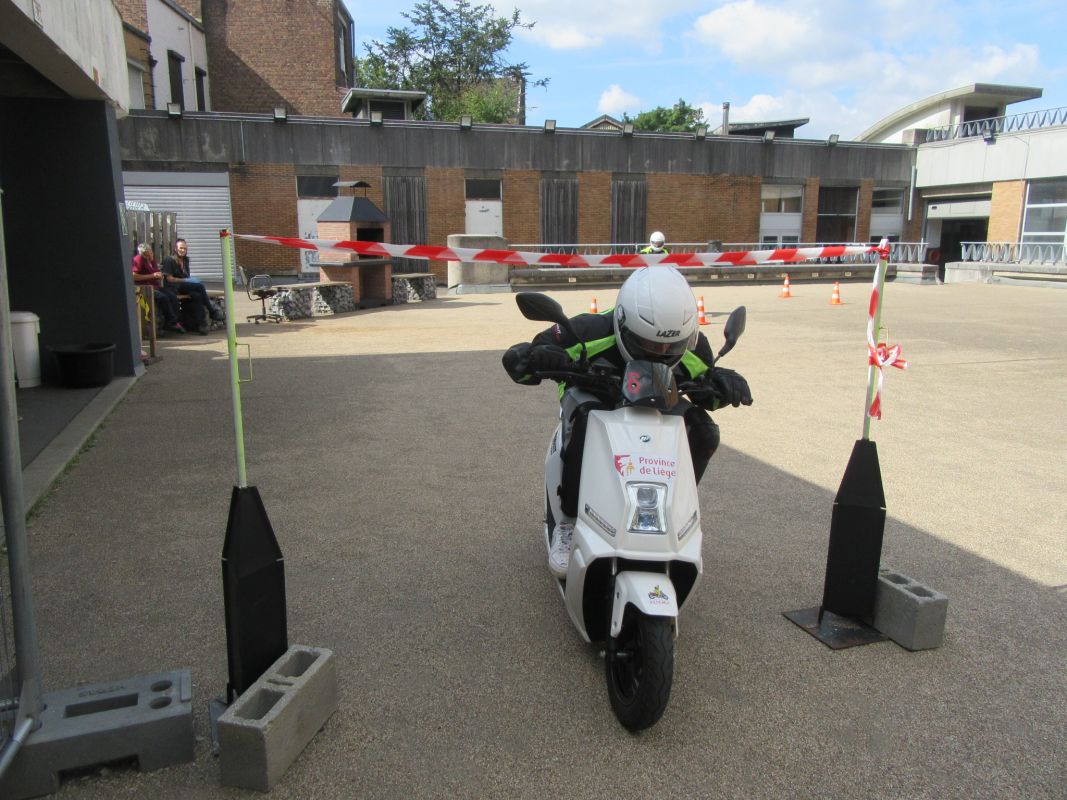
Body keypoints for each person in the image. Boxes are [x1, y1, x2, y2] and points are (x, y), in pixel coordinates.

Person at [502, 266, 752, 577]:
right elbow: (523, 361)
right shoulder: (587, 330)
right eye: (648, 345)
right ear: (622, 323)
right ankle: (568, 521)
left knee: (703, 431)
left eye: (669, 349)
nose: (660, 352)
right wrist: (531, 358)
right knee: (587, 418)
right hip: (596, 399)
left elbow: (707, 392)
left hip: (658, 404)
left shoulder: (692, 346)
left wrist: (726, 387)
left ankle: (672, 513)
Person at [162, 238, 223, 334]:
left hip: (184, 287)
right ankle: (212, 311)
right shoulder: (169, 260)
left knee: (197, 296)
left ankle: (200, 325)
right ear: (175, 249)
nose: (183, 250)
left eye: (185, 249)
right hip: (173, 288)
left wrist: (188, 280)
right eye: (181, 248)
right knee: (199, 286)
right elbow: (169, 279)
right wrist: (185, 280)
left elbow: (187, 276)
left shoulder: (185, 260)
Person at [132, 244, 185, 333]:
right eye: (147, 255)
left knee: (172, 296)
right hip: (144, 287)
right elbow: (134, 276)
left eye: (151, 254)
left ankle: (174, 321)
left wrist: (159, 275)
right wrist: (152, 275)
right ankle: (171, 322)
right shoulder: (139, 259)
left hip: (155, 286)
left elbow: (156, 271)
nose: (150, 257)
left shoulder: (152, 260)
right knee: (163, 298)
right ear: (142, 254)